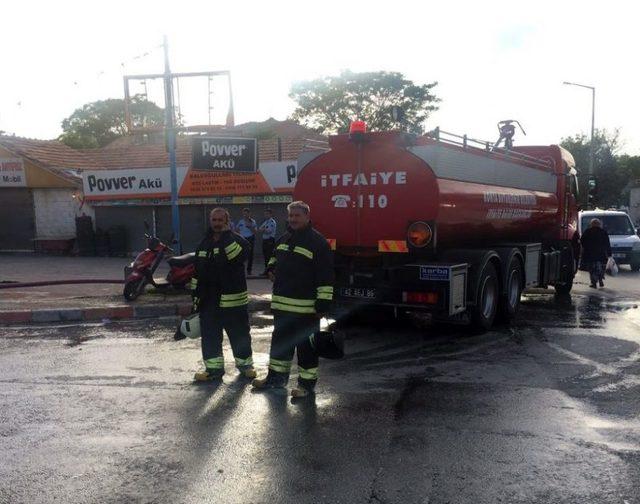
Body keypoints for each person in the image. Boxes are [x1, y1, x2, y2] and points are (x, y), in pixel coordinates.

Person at [252, 201, 334, 398]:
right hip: (282, 306)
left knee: (307, 349)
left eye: (297, 216)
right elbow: (274, 257)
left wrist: (323, 304)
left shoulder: (318, 242)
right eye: (291, 216)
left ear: (307, 216)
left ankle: (306, 386)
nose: (293, 219)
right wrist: (270, 269)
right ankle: (275, 380)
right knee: (280, 345)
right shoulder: (285, 238)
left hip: (306, 310)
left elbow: (326, 277)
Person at [190, 208, 256, 381]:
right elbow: (197, 271)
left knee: (239, 334)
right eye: (214, 220)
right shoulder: (204, 243)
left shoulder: (239, 242)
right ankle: (213, 370)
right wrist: (195, 295)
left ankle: (245, 366)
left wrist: (226, 237)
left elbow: (235, 257)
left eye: (221, 220)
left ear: (228, 221)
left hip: (233, 301)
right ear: (210, 221)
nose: (217, 223)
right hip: (209, 301)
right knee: (210, 336)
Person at [580, 218, 612, 288]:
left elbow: (582, 241)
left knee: (592, 269)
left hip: (590, 254)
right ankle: (600, 279)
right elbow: (607, 244)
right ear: (599, 224)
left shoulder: (587, 232)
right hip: (601, 254)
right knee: (601, 268)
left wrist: (584, 250)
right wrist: (609, 254)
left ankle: (593, 283)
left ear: (591, 224)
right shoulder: (603, 232)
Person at [234, 208, 257, 275]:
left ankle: (249, 270)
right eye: (244, 213)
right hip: (242, 239)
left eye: (246, 213)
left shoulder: (253, 221)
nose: (245, 215)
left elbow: (255, 231)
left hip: (250, 238)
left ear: (249, 214)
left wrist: (250, 226)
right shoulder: (241, 221)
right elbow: (236, 229)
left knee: (250, 255)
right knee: (240, 254)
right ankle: (240, 270)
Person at [258, 208, 277, 276]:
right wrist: (264, 229)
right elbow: (259, 229)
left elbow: (269, 231)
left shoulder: (272, 222)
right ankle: (266, 271)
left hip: (270, 241)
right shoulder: (266, 222)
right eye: (265, 214)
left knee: (269, 257)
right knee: (265, 256)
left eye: (267, 214)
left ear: (271, 214)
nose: (265, 215)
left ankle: (271, 271)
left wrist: (263, 229)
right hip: (265, 240)